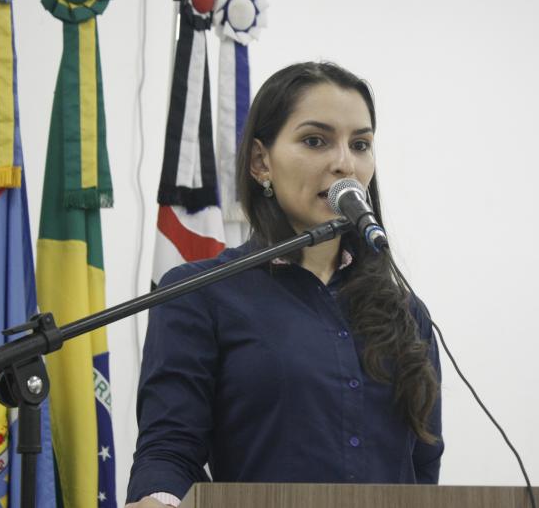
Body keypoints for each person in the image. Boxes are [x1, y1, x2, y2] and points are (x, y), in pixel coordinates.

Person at [125, 62, 443, 508]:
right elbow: (169, 450)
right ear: (261, 162)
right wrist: (158, 500)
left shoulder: (407, 314)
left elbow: (423, 466)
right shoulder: (198, 294)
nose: (344, 164)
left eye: (360, 145)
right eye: (316, 141)